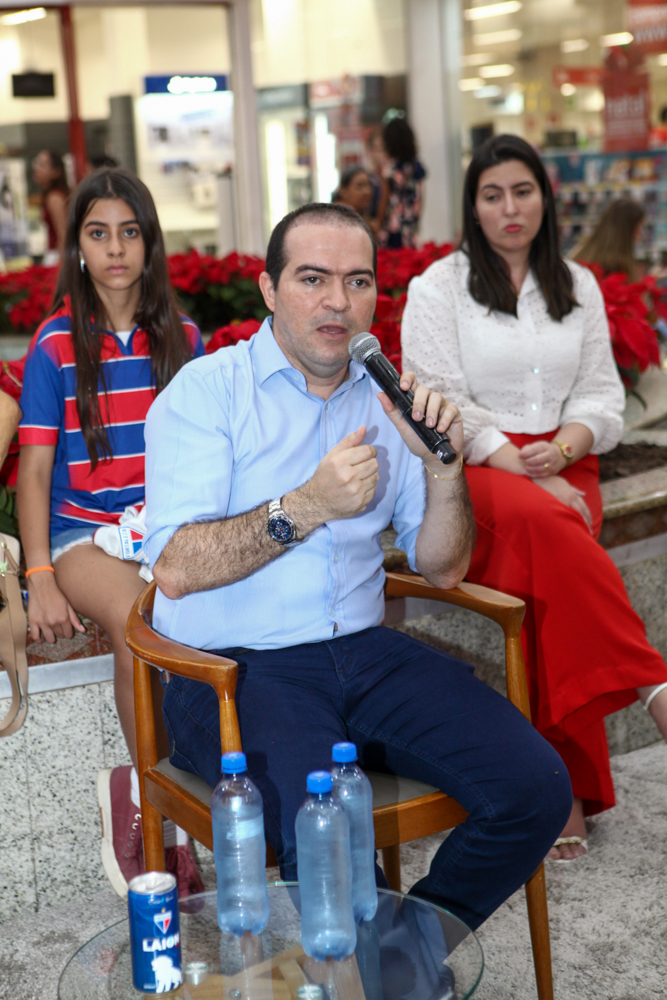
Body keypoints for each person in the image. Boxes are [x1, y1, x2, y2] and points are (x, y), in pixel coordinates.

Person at [143, 201, 572, 932]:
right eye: (312, 279)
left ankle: (408, 955)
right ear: (269, 289)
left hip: (363, 655)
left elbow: (443, 567)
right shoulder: (207, 391)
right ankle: (390, 968)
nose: (337, 301)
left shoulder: (386, 401)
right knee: (334, 848)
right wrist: (307, 505)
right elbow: (176, 568)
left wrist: (442, 467)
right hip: (232, 672)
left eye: (358, 281)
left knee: (535, 788)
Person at [401, 133, 667, 863]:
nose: (509, 208)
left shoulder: (577, 285)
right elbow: (439, 398)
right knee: (549, 532)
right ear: (473, 207)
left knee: (550, 582)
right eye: (492, 196)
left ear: (544, 200)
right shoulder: (437, 288)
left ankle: (560, 794)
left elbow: (601, 394)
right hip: (475, 465)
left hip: (567, 463)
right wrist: (518, 463)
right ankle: (653, 684)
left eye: (522, 192)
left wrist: (568, 449)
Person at [16, 167, 206, 896]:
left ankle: (152, 781)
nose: (116, 248)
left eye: (130, 232)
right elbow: (35, 471)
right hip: (82, 535)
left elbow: (205, 454)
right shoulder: (55, 345)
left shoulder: (183, 338)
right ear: (78, 247)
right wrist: (38, 576)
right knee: (137, 623)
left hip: (164, 529)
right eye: (99, 233)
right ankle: (158, 809)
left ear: (150, 242)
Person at [377, 117, 426, 248]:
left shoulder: (388, 169)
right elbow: (420, 198)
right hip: (410, 223)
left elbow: (384, 199)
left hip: (392, 224)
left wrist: (378, 224)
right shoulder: (417, 167)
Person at [572, 198, 646, 280]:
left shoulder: (583, 250)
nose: (639, 236)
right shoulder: (618, 266)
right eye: (638, 229)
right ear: (627, 231)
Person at [31, 150, 69, 261]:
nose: (36, 168)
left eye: (42, 165)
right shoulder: (50, 196)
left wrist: (61, 264)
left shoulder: (54, 197)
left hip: (57, 255)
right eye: (36, 163)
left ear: (56, 172)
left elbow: (63, 235)